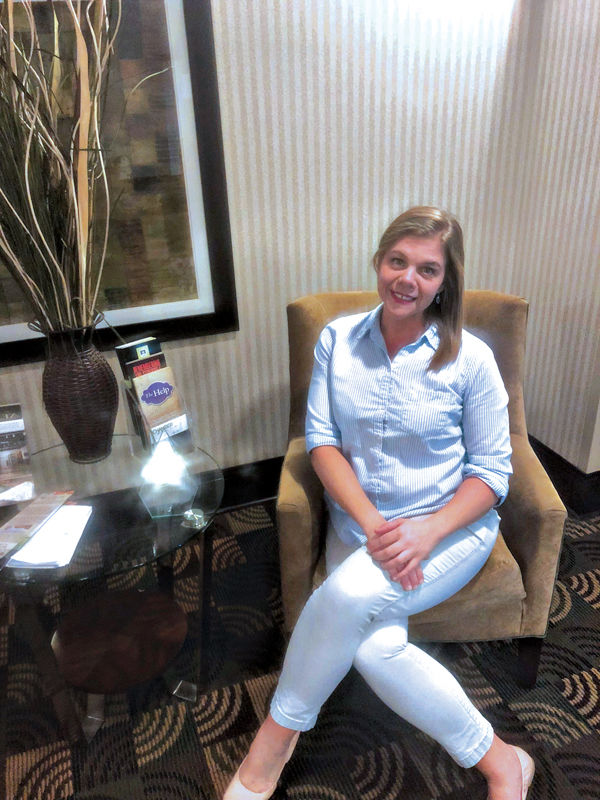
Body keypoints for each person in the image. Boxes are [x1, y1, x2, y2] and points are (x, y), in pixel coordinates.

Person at [224, 207, 535, 800]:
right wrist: (373, 525)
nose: (407, 279)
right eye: (398, 261)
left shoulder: (472, 358)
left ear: (445, 281)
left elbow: (493, 473)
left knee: (345, 596)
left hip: (450, 530)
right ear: (378, 261)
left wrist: (425, 531)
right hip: (361, 528)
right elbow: (321, 442)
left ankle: (273, 742)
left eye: (427, 269)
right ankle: (504, 762)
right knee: (373, 647)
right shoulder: (337, 340)